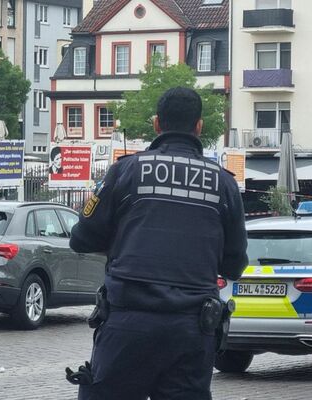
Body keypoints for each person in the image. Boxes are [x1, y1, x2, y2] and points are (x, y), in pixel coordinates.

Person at [69, 87, 248, 399]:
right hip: (192, 331)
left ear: (156, 124)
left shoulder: (125, 171)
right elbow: (235, 264)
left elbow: (81, 239)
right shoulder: (224, 184)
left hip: (127, 325)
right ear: (199, 126)